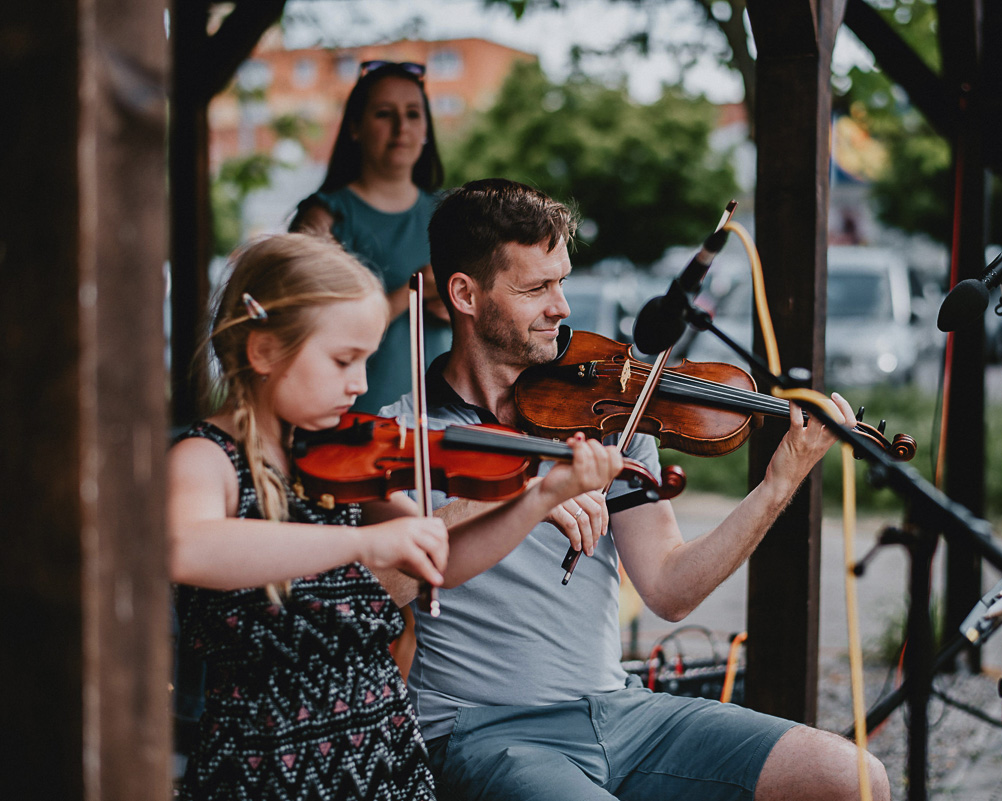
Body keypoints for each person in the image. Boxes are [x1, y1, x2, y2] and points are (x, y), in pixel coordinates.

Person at [379, 179, 891, 801]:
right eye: (536, 288)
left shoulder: (606, 416)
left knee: (853, 779)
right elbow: (392, 582)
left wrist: (777, 486)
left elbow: (671, 590)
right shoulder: (400, 436)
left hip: (620, 712)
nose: (561, 306)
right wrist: (525, 490)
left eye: (562, 280)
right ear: (464, 293)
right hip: (484, 730)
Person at [168, 232, 625, 800]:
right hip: (267, 761)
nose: (360, 385)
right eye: (343, 361)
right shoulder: (205, 459)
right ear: (263, 352)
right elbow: (188, 546)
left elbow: (441, 559)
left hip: (379, 753)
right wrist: (361, 547)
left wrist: (533, 497)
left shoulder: (339, 451)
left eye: (366, 360)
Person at [290, 59, 451, 413]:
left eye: (412, 114)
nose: (401, 127)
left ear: (426, 128)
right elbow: (314, 331)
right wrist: (413, 290)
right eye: (383, 113)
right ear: (354, 127)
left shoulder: (453, 214)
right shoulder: (322, 217)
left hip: (445, 424)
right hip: (355, 424)